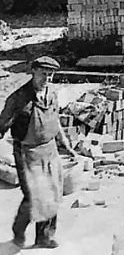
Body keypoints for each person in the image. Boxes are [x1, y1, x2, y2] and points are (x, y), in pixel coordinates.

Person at [0, 55, 78, 249]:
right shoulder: (19, 98)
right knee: (34, 196)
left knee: (52, 193)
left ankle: (44, 237)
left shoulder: (51, 93)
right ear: (33, 71)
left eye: (50, 75)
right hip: (27, 152)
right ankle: (18, 233)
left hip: (49, 149)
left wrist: (66, 144)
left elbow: (56, 121)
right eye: (43, 74)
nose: (47, 79)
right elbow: (2, 124)